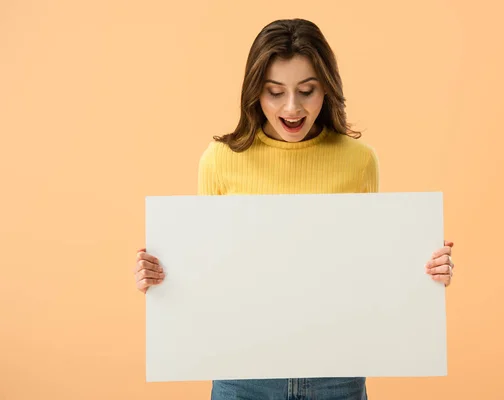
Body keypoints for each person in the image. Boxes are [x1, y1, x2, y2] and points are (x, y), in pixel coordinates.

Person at [133, 18, 455, 400]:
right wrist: (161, 277)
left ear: (327, 90)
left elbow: (370, 268)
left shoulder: (359, 161)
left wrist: (426, 273)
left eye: (307, 91)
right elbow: (210, 271)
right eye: (275, 92)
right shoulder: (219, 160)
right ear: (255, 92)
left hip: (338, 374)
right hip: (242, 376)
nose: (292, 107)